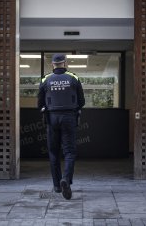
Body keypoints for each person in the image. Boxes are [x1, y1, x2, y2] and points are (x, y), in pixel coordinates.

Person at [37, 53, 85, 200]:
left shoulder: (45, 79)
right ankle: (66, 179)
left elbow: (39, 103)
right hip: (69, 117)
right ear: (65, 63)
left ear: (53, 64)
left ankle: (57, 185)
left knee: (53, 152)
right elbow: (82, 101)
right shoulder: (73, 78)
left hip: (52, 118)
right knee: (69, 151)